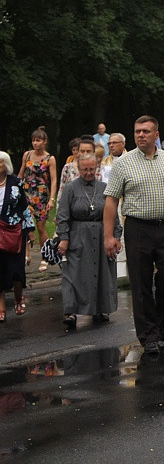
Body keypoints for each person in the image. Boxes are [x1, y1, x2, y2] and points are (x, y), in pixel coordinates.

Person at [103, 115, 164, 355]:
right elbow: (111, 201)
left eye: (146, 131)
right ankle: (149, 335)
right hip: (138, 228)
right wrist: (108, 236)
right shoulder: (123, 164)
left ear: (156, 134)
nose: (141, 135)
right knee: (141, 283)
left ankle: (159, 318)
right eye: (137, 131)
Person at [56, 154, 121, 328]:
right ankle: (71, 311)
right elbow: (62, 215)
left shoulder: (104, 187)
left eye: (91, 169)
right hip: (78, 234)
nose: (88, 173)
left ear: (96, 168)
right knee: (74, 274)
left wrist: (116, 236)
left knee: (102, 272)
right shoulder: (71, 189)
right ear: (79, 168)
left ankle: (101, 308)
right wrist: (63, 237)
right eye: (85, 169)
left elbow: (112, 214)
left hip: (101, 234)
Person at [0, 151, 35, 322]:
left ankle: (18, 298)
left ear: (5, 164)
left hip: (15, 231)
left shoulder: (15, 182)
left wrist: (30, 230)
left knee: (16, 268)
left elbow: (24, 206)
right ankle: (1, 307)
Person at [18, 127, 58, 272]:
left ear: (44, 142)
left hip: (41, 196)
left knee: (41, 227)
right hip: (26, 194)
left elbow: (53, 180)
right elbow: (21, 173)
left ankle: (44, 256)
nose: (35, 143)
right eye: (34, 140)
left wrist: (52, 199)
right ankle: (26, 253)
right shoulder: (27, 155)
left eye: (38, 140)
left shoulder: (49, 159)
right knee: (24, 226)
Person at [56, 138, 96, 208]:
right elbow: (62, 189)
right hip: (73, 205)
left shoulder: (99, 169)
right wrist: (58, 210)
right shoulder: (68, 168)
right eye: (82, 151)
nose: (85, 154)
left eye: (88, 151)